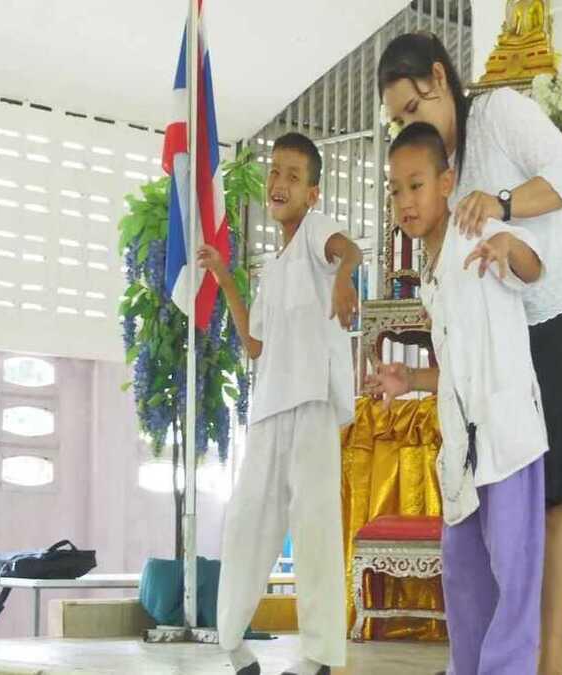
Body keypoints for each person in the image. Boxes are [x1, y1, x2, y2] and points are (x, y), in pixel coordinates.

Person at [378, 33, 562, 675]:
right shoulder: (437, 168)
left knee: (556, 493)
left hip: (558, 304)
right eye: (398, 120)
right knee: (503, 518)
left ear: (439, 78)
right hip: (506, 330)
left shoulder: (498, 112)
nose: (410, 123)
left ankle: (549, 661)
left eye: (413, 107)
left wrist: (503, 203)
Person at [365, 122, 549, 674]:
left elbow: (534, 267)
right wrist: (410, 380)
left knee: (513, 574)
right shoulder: (430, 276)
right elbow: (455, 370)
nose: (405, 201)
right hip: (463, 450)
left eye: (415, 185)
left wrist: (509, 245)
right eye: (395, 190)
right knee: (464, 575)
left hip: (507, 437)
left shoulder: (476, 229)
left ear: (446, 183)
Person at [199, 132, 362, 675]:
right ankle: (232, 642)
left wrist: (343, 280)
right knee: (247, 520)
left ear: (312, 193)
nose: (279, 183)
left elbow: (350, 250)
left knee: (314, 527)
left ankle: (317, 657)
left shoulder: (316, 231)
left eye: (294, 176)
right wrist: (224, 277)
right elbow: (254, 344)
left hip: (312, 401)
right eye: (275, 172)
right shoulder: (273, 266)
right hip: (269, 406)